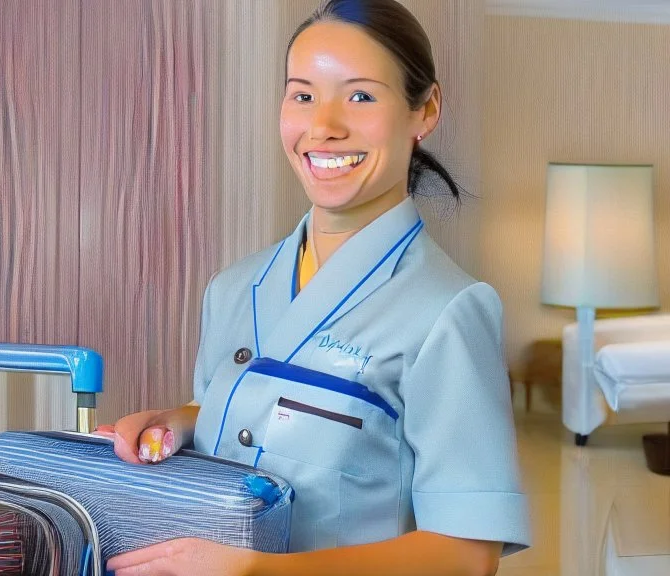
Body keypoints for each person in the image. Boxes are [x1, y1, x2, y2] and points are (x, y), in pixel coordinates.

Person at [99, 1, 531, 574]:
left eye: (360, 96)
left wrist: (252, 572)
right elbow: (268, 428)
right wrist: (183, 422)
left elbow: (467, 553)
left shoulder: (449, 311)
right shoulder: (232, 288)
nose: (323, 126)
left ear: (424, 110)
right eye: (302, 95)